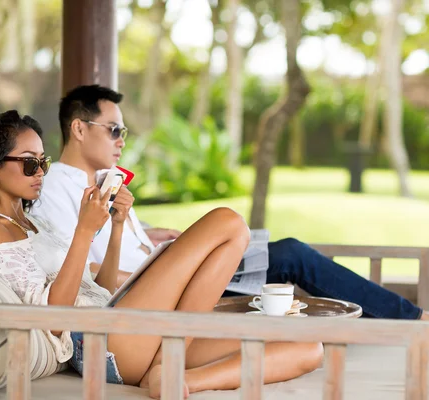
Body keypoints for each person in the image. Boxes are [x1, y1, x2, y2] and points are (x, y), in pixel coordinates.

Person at [0, 110, 323, 398]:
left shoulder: (33, 223)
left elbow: (100, 288)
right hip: (94, 343)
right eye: (29, 163)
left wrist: (116, 225)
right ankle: (172, 358)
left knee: (308, 345)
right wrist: (84, 230)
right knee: (228, 223)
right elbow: (52, 320)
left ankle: (175, 378)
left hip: (119, 324)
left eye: (43, 162)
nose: (40, 171)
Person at [32, 84, 428, 321]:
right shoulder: (56, 191)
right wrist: (165, 266)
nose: (122, 139)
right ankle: (412, 320)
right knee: (291, 255)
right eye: (114, 129)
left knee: (282, 253)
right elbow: (80, 267)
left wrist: (146, 235)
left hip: (171, 266)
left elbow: (111, 239)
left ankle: (398, 318)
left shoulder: (105, 181)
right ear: (79, 129)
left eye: (125, 131)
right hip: (165, 286)